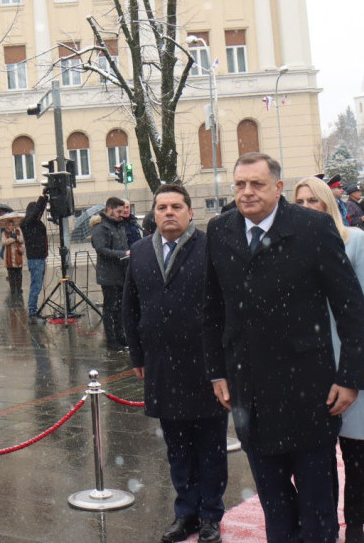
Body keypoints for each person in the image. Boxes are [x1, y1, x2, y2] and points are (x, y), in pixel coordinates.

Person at [202, 152, 364, 543]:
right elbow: (211, 308)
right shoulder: (220, 230)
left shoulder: (313, 227)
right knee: (274, 504)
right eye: (240, 184)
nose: (247, 192)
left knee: (316, 506)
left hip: (308, 389)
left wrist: (350, 377)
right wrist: (217, 371)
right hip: (249, 390)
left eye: (257, 184)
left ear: (278, 187)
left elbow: (350, 306)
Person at [122, 184, 227, 543]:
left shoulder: (210, 248)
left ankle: (211, 515)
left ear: (190, 212)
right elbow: (130, 306)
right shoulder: (140, 251)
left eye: (176, 206)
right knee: (177, 448)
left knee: (210, 447)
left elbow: (225, 305)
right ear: (153, 214)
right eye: (162, 207)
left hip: (205, 366)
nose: (169, 212)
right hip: (161, 366)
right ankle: (186, 514)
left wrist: (225, 363)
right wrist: (137, 355)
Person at [293, 178, 364, 543]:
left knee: (355, 445)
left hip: (349, 352)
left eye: (313, 200)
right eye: (300, 201)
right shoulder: (289, 246)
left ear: (327, 203)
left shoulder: (354, 239)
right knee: (316, 451)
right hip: (308, 361)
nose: (306, 207)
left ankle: (356, 521)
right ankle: (324, 517)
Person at [91, 197, 131, 351]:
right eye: (119, 211)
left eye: (124, 211)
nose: (122, 214)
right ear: (110, 209)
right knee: (110, 308)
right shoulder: (101, 228)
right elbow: (101, 250)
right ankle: (111, 340)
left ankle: (121, 336)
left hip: (121, 273)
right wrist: (123, 254)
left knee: (120, 307)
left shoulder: (119, 226)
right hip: (108, 275)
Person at [20, 193, 50, 322]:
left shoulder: (35, 223)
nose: (39, 215)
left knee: (37, 286)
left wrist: (45, 199)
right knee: (36, 286)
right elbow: (37, 211)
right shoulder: (27, 223)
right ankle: (32, 312)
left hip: (39, 258)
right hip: (35, 259)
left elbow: (39, 211)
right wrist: (42, 199)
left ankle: (33, 311)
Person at [0, 221, 25, 297]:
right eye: (9, 225)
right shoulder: (4, 233)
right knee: (11, 275)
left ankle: (19, 288)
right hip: (9, 257)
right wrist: (12, 238)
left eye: (11, 225)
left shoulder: (18, 231)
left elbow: (22, 240)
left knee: (19, 274)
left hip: (18, 255)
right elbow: (4, 242)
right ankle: (13, 289)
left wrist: (16, 237)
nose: (10, 226)